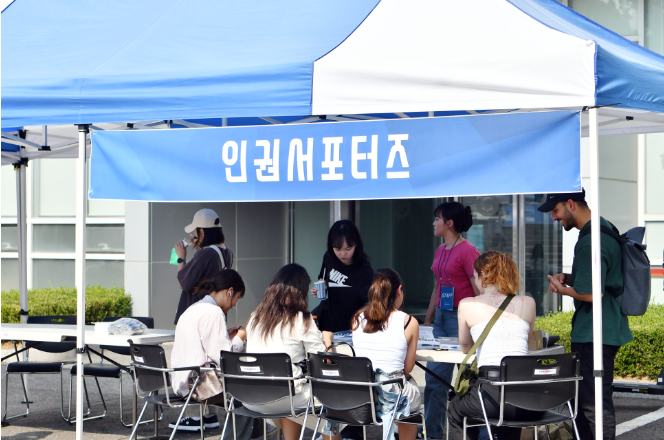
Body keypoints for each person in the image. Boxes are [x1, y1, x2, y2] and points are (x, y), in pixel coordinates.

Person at [538, 190, 632, 440]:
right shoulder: (604, 228)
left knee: (593, 404)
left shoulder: (591, 241)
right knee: (588, 402)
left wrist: (563, 290)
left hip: (594, 332)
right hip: (604, 328)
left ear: (571, 204)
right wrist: (569, 278)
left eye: (555, 211)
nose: (554, 218)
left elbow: (593, 293)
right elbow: (600, 279)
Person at [447, 251, 537, 440]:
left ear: (483, 275)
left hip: (490, 395)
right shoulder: (528, 302)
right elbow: (527, 343)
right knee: (508, 414)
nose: (474, 281)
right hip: (526, 399)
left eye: (474, 276)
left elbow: (466, 347)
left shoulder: (467, 304)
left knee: (455, 409)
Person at [245, 264, 339, 440]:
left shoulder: (255, 317)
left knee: (292, 386)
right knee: (331, 397)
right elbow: (322, 363)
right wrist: (327, 340)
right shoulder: (301, 318)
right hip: (284, 398)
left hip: (251, 397)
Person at [169, 269, 253, 437]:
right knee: (251, 391)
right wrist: (241, 338)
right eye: (237, 297)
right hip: (200, 387)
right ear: (230, 291)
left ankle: (254, 432)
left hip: (182, 383)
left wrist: (226, 335)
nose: (235, 303)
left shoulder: (193, 308)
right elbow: (225, 359)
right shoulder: (214, 312)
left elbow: (201, 346)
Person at [422, 202, 480, 440]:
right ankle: (433, 435)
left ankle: (477, 434)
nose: (434, 223)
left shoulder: (468, 251)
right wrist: (428, 320)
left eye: (437, 219)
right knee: (434, 381)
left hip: (461, 319)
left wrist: (479, 319)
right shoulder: (440, 250)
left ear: (449, 223)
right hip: (441, 318)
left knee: (468, 379)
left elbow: (478, 288)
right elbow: (438, 286)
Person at [351, 269, 421, 440]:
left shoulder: (358, 318)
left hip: (363, 395)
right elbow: (407, 368)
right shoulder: (408, 322)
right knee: (412, 389)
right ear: (399, 290)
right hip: (391, 393)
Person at [311, 220, 374, 347]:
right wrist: (319, 288)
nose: (342, 254)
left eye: (348, 249)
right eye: (337, 249)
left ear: (356, 244)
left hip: (353, 330)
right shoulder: (329, 258)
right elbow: (323, 278)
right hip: (330, 325)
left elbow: (370, 303)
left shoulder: (365, 269)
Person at [174, 208, 234, 325]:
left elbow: (183, 283)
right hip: (215, 316)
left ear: (202, 231)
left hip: (196, 318)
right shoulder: (228, 252)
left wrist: (181, 258)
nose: (194, 234)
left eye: (195, 231)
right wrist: (200, 250)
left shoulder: (204, 254)